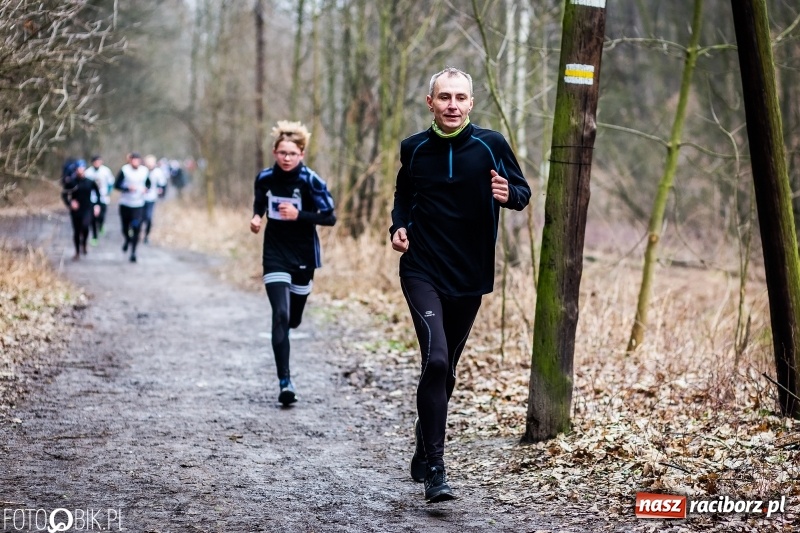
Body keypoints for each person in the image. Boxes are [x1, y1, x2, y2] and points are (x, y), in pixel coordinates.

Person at [390, 67, 531, 503]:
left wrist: (510, 194)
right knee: (434, 360)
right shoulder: (413, 149)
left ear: (472, 103)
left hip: (470, 275)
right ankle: (436, 468)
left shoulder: (491, 145)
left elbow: (522, 192)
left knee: (446, 370)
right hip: (422, 268)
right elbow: (402, 194)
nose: (453, 105)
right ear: (430, 102)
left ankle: (423, 435)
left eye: (460, 97)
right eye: (444, 97)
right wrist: (397, 226)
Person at [250, 121, 336, 406]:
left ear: (301, 154)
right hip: (274, 254)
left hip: (303, 256)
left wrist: (298, 215)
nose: (287, 158)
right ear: (274, 152)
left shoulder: (311, 181)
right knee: (280, 316)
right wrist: (256, 217)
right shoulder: (264, 177)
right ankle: (285, 381)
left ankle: (290, 325)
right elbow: (260, 201)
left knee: (294, 318)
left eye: (293, 153)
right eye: (282, 152)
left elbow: (330, 217)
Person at [114, 152, 151, 263]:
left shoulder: (144, 171)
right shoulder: (124, 170)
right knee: (125, 228)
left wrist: (146, 189)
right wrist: (127, 188)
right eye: (133, 160)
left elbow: (148, 183)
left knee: (136, 228)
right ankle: (127, 240)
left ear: (140, 161)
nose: (135, 162)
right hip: (125, 204)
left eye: (137, 160)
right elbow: (116, 185)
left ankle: (133, 252)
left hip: (138, 205)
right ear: (130, 161)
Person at [61, 160, 101, 261]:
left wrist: (97, 205)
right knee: (77, 231)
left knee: (85, 226)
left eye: (82, 168)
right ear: (75, 170)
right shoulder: (71, 182)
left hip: (88, 208)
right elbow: (64, 195)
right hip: (76, 210)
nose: (81, 170)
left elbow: (98, 194)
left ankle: (84, 244)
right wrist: (70, 203)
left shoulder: (90, 182)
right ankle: (77, 251)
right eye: (79, 168)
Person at [84, 155, 115, 242]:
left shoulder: (106, 171)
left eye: (99, 161)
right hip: (92, 198)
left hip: (103, 197)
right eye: (95, 162)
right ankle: (94, 236)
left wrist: (108, 192)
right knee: (93, 217)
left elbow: (111, 183)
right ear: (92, 162)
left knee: (101, 215)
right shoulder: (88, 172)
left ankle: (101, 225)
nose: (97, 163)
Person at [142, 154, 168, 244]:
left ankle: (146, 236)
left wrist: (161, 191)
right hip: (139, 199)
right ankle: (134, 232)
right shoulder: (142, 171)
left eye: (151, 163)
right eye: (148, 163)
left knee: (148, 218)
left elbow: (163, 184)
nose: (149, 165)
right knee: (139, 218)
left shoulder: (158, 172)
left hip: (151, 198)